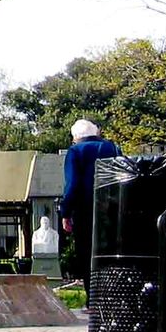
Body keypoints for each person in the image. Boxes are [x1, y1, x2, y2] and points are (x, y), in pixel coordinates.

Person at [59, 119, 121, 305]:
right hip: (112, 208)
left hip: (85, 210)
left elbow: (72, 185)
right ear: (96, 133)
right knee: (111, 253)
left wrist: (65, 212)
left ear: (75, 137)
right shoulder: (113, 148)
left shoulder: (75, 152)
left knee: (87, 254)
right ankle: (114, 296)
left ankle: (93, 299)